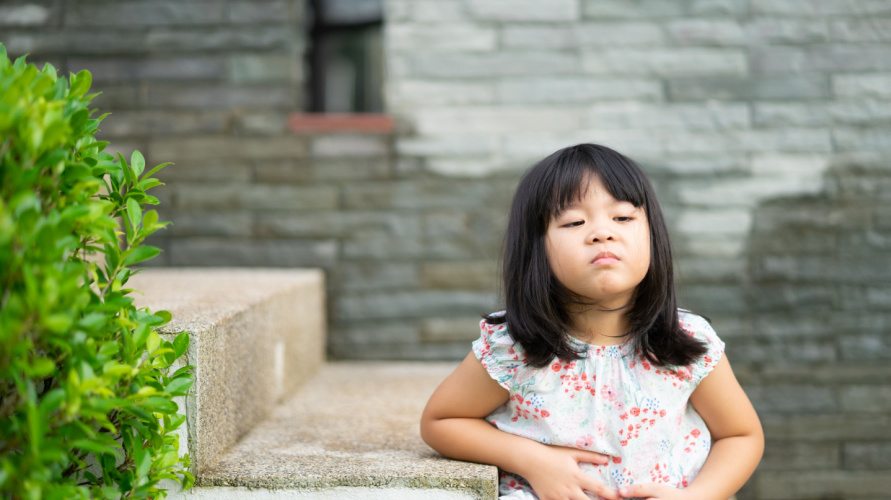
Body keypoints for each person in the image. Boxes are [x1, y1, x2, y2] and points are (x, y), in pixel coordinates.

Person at [420, 143, 763, 500]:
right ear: (537, 249)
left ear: (653, 235)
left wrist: (698, 496)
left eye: (623, 218)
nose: (602, 232)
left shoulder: (685, 341)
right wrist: (531, 459)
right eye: (574, 222)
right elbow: (442, 422)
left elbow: (740, 436)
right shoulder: (517, 347)